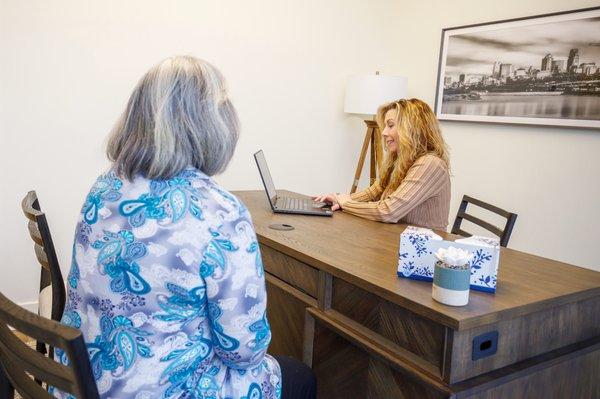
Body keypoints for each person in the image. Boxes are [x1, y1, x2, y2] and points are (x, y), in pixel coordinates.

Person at [52, 56, 315, 399]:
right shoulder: (220, 211)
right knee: (300, 376)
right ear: (211, 124)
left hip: (85, 379)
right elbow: (244, 349)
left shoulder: (104, 187)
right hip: (166, 390)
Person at [315, 98, 450, 231]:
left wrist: (346, 203)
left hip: (423, 248)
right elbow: (376, 190)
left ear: (412, 128)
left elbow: (388, 211)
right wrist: (339, 199)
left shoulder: (430, 164)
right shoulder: (400, 158)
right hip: (395, 236)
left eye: (390, 125)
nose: (384, 132)